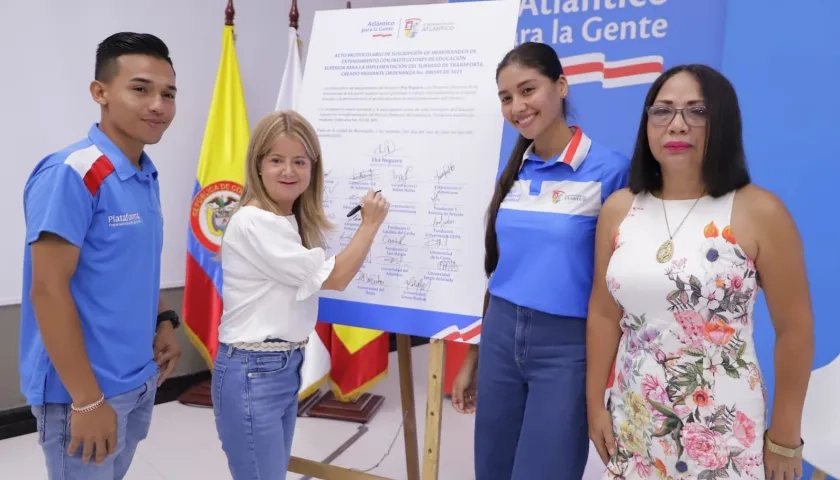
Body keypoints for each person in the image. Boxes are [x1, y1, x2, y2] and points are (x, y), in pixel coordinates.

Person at [586, 64, 814, 479]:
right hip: (634, 421)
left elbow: (795, 329)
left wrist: (785, 436)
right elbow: (604, 312)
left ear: (723, 122)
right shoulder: (620, 209)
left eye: (697, 111)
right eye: (663, 111)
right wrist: (593, 407)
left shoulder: (760, 211)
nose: (677, 125)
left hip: (722, 430)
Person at [451, 42, 631, 479]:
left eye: (527, 90)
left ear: (561, 86)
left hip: (567, 347)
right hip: (499, 337)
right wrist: (474, 356)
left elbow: (620, 284)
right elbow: (500, 271)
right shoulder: (512, 173)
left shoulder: (612, 171)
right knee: (491, 468)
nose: (517, 106)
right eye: (506, 97)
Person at [20, 32, 182, 480]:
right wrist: (87, 400)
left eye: (168, 94)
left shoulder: (143, 173)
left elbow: (128, 267)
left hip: (137, 377)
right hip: (85, 393)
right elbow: (48, 291)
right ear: (100, 92)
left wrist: (163, 319)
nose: (157, 105)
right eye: (141, 89)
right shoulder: (72, 173)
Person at [211, 110, 390, 479]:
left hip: (279, 366)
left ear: (313, 168)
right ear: (257, 165)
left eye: (299, 162)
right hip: (253, 370)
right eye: (276, 160)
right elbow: (336, 277)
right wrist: (370, 224)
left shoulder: (284, 217)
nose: (288, 171)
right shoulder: (255, 221)